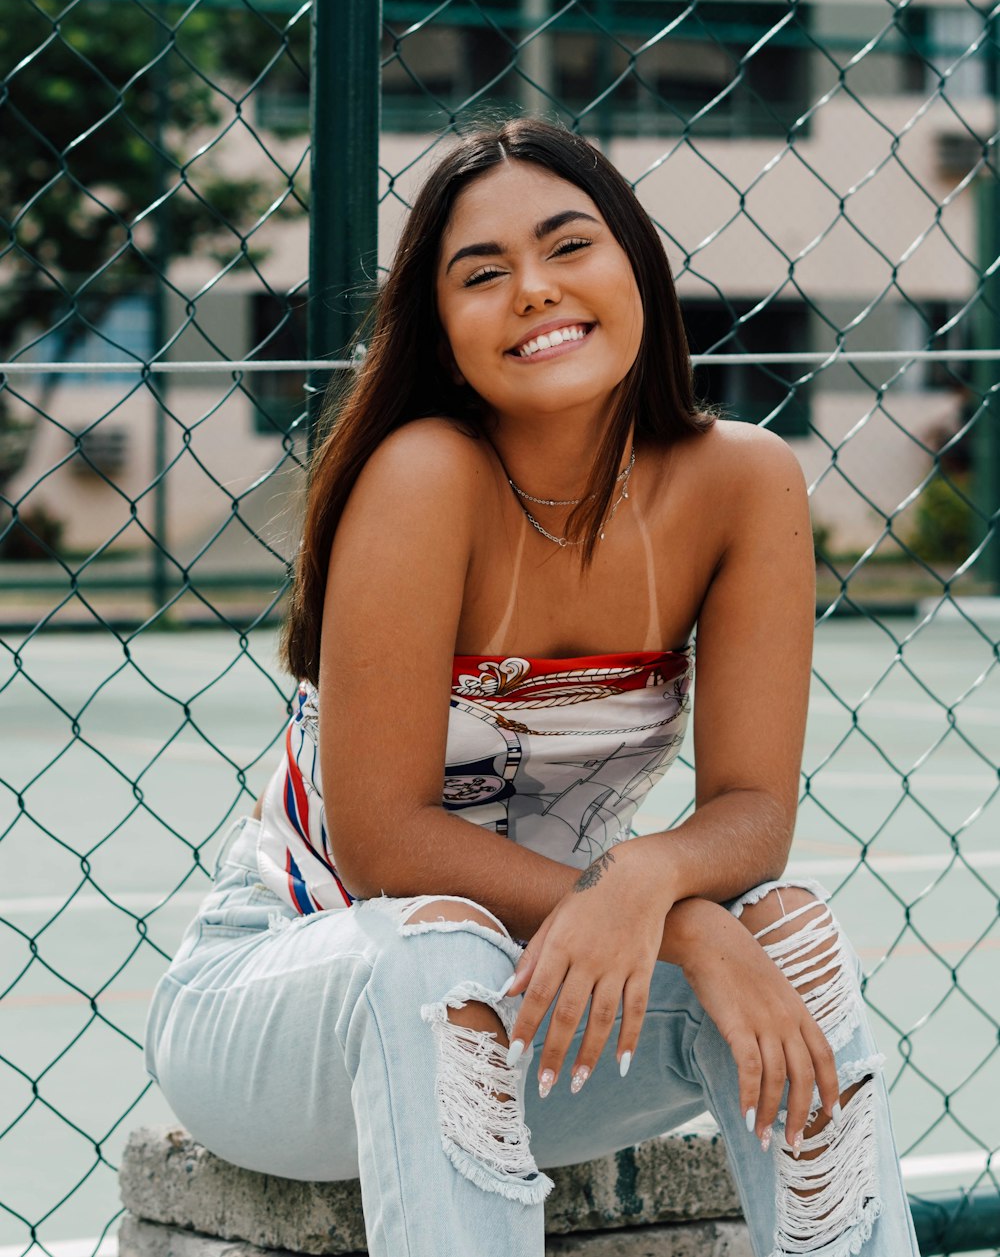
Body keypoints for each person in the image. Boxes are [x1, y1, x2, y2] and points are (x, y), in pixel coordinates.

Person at [143, 118, 919, 1257]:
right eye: (481, 273)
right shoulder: (425, 474)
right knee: (445, 944)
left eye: (569, 245)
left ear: (637, 267)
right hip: (294, 1000)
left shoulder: (743, 482)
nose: (533, 289)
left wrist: (651, 880)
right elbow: (381, 842)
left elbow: (754, 810)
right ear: (441, 327)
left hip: (548, 1005)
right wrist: (682, 924)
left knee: (790, 936)